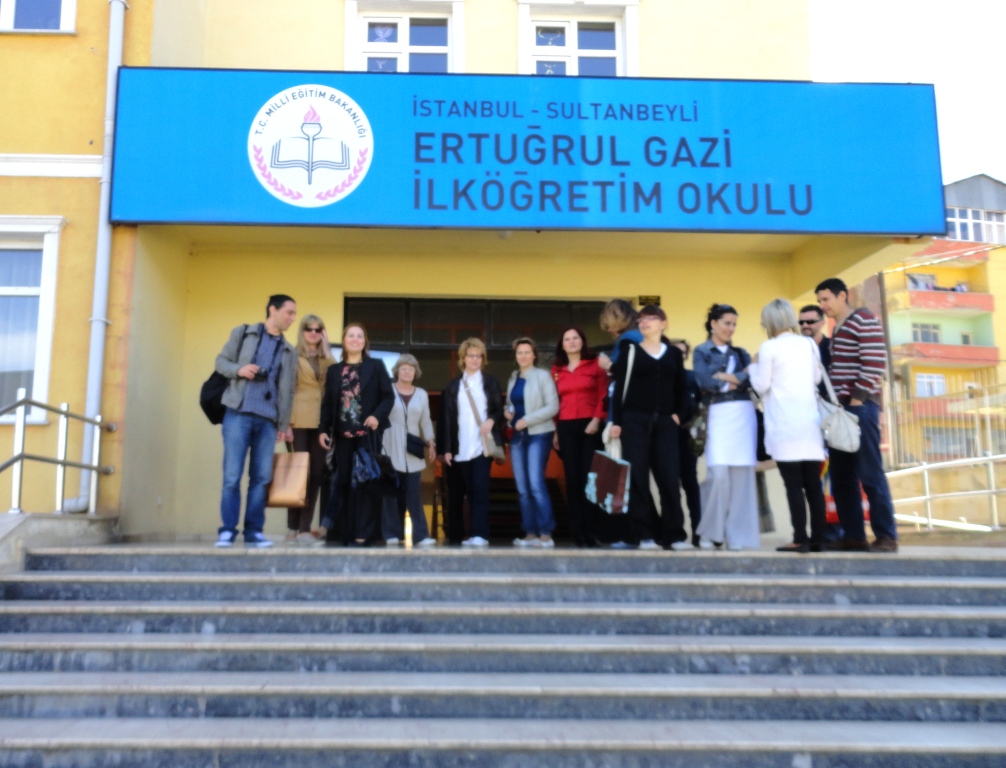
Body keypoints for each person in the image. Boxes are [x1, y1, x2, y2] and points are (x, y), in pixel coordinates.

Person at [816, 278, 898, 553]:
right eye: (820, 301)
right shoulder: (838, 327)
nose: (823, 305)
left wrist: (856, 401)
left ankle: (886, 536)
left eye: (826, 299)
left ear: (843, 295)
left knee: (870, 473)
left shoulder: (863, 319)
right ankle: (854, 536)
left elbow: (874, 363)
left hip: (860, 409)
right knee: (841, 477)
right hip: (841, 412)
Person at [213, 294, 298, 548]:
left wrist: (283, 424)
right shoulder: (244, 333)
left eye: (294, 314)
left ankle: (253, 532)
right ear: (273, 310)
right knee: (232, 476)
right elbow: (221, 362)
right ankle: (228, 531)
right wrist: (239, 370)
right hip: (238, 414)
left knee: (261, 478)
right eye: (289, 312)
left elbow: (288, 390)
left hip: (268, 421)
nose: (292, 318)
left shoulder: (289, 350)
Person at [607, 305, 690, 550]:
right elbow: (618, 390)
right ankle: (644, 535)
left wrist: (680, 416)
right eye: (641, 320)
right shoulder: (630, 351)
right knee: (638, 480)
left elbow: (681, 388)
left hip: (665, 424)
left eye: (651, 318)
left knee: (669, 480)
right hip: (634, 422)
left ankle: (675, 535)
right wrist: (617, 422)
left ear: (663, 323)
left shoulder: (673, 354)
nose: (644, 323)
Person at [748, 299, 827, 553]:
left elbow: (760, 385)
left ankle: (799, 538)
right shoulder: (808, 344)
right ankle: (819, 538)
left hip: (784, 425)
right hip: (810, 424)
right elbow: (817, 378)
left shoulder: (769, 347)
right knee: (813, 485)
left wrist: (752, 366)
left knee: (793, 485)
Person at [317, 323, 394, 546]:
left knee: (365, 483)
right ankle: (346, 533)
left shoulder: (375, 366)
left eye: (359, 336)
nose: (355, 339)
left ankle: (364, 532)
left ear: (365, 342)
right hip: (342, 437)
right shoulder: (334, 371)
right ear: (344, 340)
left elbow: (388, 396)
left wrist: (377, 416)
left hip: (367, 435)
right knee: (343, 483)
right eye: (351, 335)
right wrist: (323, 430)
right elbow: (328, 404)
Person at [693, 303, 760, 551]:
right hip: (716, 416)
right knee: (718, 476)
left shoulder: (741, 353)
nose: (730, 328)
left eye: (734, 324)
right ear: (713, 323)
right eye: (726, 323)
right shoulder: (701, 351)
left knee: (742, 479)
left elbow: (751, 379)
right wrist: (734, 380)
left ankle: (737, 536)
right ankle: (711, 532)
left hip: (743, 416)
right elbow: (704, 381)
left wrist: (724, 378)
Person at [436, 338, 505, 548]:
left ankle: (480, 535)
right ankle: (456, 536)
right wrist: (446, 449)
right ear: (463, 358)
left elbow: (499, 411)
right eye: (471, 355)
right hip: (458, 449)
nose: (475, 359)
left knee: (479, 491)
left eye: (479, 356)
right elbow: (447, 419)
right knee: (456, 495)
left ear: (483, 359)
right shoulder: (453, 386)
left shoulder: (490, 382)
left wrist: (491, 420)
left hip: (481, 447)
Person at [551, 327, 608, 548]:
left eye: (575, 338)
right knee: (573, 481)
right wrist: (556, 430)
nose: (572, 342)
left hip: (590, 427)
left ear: (583, 342)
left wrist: (597, 419)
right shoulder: (557, 370)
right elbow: (555, 402)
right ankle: (578, 533)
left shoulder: (596, 364)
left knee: (590, 480)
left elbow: (603, 394)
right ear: (562, 345)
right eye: (567, 339)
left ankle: (592, 531)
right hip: (566, 427)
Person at [505, 337, 560, 548]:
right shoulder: (513, 377)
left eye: (527, 352)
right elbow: (510, 404)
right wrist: (508, 413)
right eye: (520, 352)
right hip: (518, 436)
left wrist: (527, 420)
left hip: (539, 433)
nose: (523, 356)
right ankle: (530, 533)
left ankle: (545, 533)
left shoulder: (543, 376)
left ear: (534, 355)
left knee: (536, 483)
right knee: (522, 488)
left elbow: (553, 407)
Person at [286, 314, 335, 544]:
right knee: (298, 473)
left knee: (316, 474)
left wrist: (327, 349)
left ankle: (304, 529)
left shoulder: (326, 359)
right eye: (309, 328)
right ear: (302, 331)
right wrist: (284, 423)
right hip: (297, 420)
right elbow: (286, 389)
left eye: (318, 329)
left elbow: (336, 378)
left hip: (321, 421)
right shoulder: (292, 355)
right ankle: (293, 528)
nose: (313, 333)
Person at [382, 354, 437, 548]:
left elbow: (426, 420)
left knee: (414, 494)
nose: (407, 372)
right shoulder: (387, 389)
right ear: (397, 371)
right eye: (404, 368)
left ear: (416, 372)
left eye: (411, 369)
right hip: (389, 443)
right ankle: (391, 534)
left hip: (412, 446)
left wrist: (431, 442)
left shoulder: (421, 393)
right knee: (390, 493)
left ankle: (421, 536)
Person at [668, 338, 703, 547]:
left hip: (688, 436)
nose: (679, 356)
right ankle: (674, 532)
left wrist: (697, 433)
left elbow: (700, 407)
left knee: (690, 482)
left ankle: (698, 532)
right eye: (675, 352)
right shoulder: (662, 378)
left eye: (682, 352)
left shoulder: (692, 377)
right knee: (670, 484)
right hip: (667, 438)